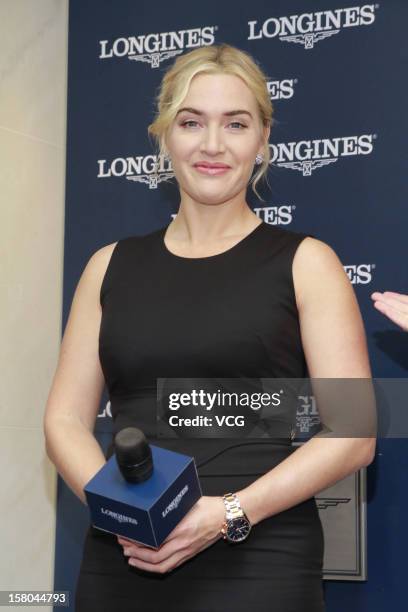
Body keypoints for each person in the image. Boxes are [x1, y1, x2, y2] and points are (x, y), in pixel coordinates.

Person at [44, 43, 376, 612]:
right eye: (192, 122)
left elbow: (354, 431)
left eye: (236, 124)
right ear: (164, 135)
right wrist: (124, 515)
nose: (213, 144)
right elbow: (65, 419)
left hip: (259, 558)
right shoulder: (108, 265)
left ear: (263, 140)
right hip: (124, 558)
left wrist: (227, 514)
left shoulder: (306, 262)